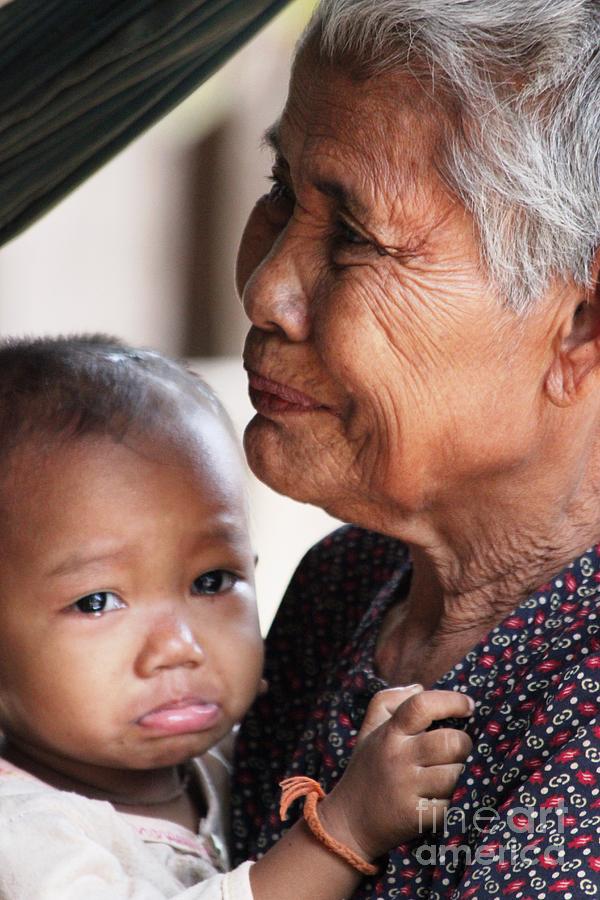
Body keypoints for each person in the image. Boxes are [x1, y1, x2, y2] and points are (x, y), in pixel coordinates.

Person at [231, 1, 600, 897]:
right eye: (283, 189)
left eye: (356, 237)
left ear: (580, 327)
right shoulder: (348, 582)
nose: (267, 287)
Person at [0, 335, 473, 900]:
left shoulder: (237, 758)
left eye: (211, 582)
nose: (179, 647)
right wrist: (345, 828)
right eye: (97, 601)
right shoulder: (22, 836)